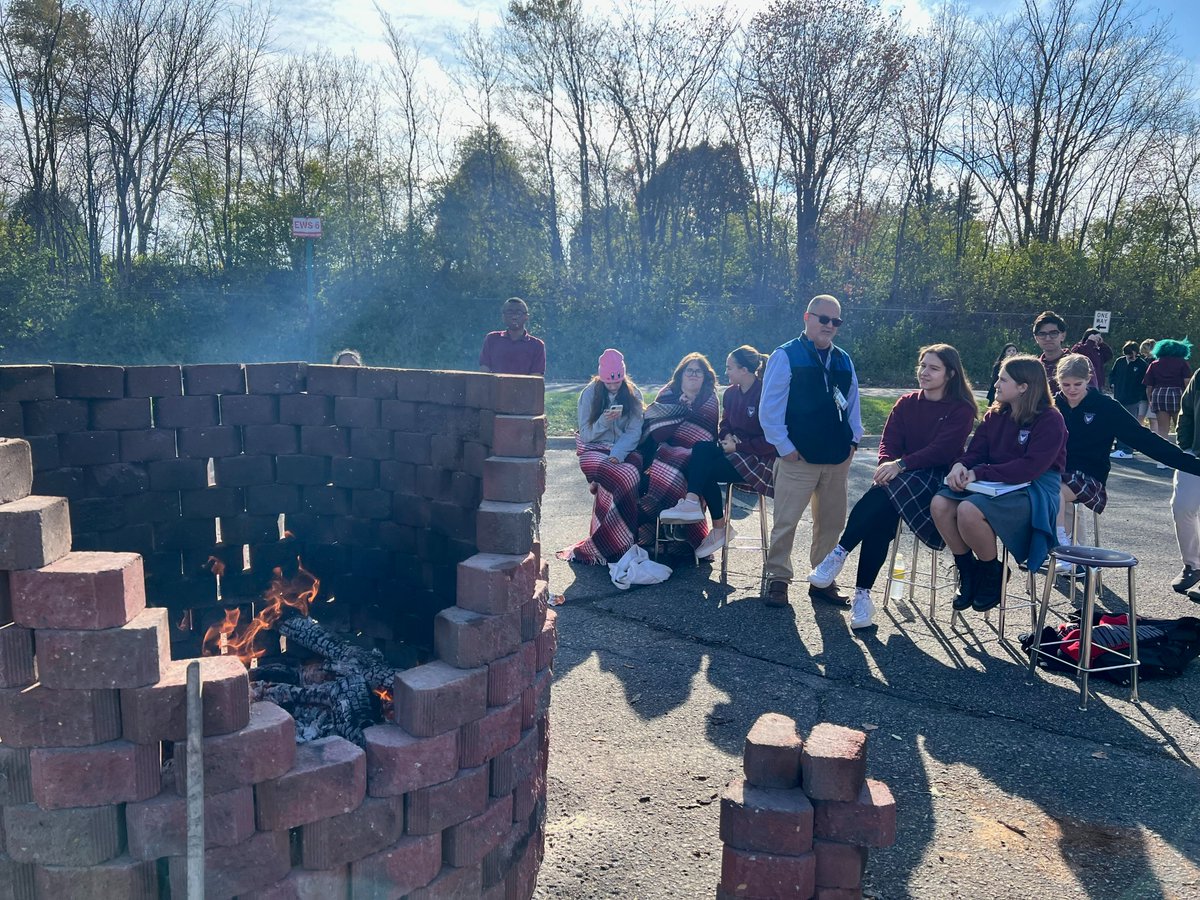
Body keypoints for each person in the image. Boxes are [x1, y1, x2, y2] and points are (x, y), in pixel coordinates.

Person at [808, 344, 978, 628]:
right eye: (922, 366)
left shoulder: (961, 409)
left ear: (950, 373)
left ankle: (839, 555)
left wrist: (899, 466)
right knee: (881, 517)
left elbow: (943, 450)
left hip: (935, 479)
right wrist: (888, 465)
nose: (924, 373)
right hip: (901, 478)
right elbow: (889, 442)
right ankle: (861, 596)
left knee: (883, 496)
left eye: (933, 368)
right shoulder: (906, 402)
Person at [931, 355, 1067, 613]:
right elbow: (976, 451)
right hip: (994, 482)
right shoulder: (995, 414)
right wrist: (960, 465)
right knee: (940, 503)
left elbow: (1032, 467)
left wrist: (980, 472)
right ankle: (967, 571)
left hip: (1035, 487)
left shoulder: (1050, 419)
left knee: (968, 510)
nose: (996, 384)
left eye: (1003, 379)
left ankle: (991, 572)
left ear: (1023, 387)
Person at [760, 294, 863, 611]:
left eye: (836, 321)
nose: (830, 326)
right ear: (807, 318)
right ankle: (777, 579)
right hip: (798, 459)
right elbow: (769, 409)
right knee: (786, 522)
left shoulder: (844, 359)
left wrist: (854, 443)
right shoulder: (786, 355)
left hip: (836, 460)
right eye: (824, 319)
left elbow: (853, 403)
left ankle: (822, 581)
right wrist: (786, 449)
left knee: (831, 524)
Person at [1053, 354, 1200, 575]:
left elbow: (1144, 439)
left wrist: (1192, 464)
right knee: (1034, 491)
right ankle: (1050, 550)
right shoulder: (1051, 406)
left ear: (1089, 380)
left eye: (1078, 384)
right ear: (1058, 381)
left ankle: (1061, 548)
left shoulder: (1105, 406)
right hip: (1055, 473)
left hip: (1089, 477)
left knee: (1052, 491)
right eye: (1066, 385)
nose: (1072, 390)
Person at [660, 346, 777, 561]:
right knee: (701, 449)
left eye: (730, 368)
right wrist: (727, 436)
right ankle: (694, 503)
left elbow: (772, 441)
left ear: (744, 369)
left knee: (703, 469)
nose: (727, 372)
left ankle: (718, 526)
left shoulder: (765, 393)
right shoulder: (731, 393)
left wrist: (739, 446)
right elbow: (724, 423)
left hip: (758, 460)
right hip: (733, 451)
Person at [557, 350, 645, 565]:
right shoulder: (589, 394)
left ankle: (618, 542)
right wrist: (604, 422)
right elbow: (586, 434)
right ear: (601, 378)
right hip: (593, 448)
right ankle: (611, 542)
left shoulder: (634, 395)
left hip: (623, 450)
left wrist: (617, 454)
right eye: (608, 383)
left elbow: (634, 432)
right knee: (620, 477)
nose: (613, 386)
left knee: (631, 473)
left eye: (617, 382)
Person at [635, 353, 721, 553]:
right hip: (666, 449)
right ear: (681, 374)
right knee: (671, 468)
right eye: (689, 370)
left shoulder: (710, 398)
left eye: (698, 371)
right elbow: (658, 433)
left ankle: (682, 532)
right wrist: (680, 409)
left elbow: (708, 434)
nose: (693, 374)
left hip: (698, 453)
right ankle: (665, 527)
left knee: (692, 464)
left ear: (704, 376)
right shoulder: (668, 393)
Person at [1171, 369, 1200, 597]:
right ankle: (1193, 564)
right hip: (1195, 454)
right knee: (1182, 507)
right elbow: (1186, 411)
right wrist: (1186, 446)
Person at [1143, 339, 1192, 457]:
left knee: (1162, 429)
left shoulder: (1154, 364)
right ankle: (1181, 455)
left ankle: (1163, 458)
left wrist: (1150, 400)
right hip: (1177, 394)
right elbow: (1187, 382)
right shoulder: (1182, 363)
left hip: (1159, 394)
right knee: (1179, 426)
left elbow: (1149, 386)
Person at [479, 297, 547, 376]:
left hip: (524, 388)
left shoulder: (537, 345)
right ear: (503, 317)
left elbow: (536, 378)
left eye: (518, 313)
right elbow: (484, 372)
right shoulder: (492, 339)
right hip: (495, 387)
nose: (514, 317)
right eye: (510, 312)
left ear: (526, 317)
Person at [1108, 341, 1149, 458]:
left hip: (1133, 399)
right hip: (1119, 397)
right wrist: (1112, 384)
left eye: (1131, 355)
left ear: (1136, 353)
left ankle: (1127, 450)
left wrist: (1138, 395)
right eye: (1127, 354)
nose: (1130, 357)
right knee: (1118, 423)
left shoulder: (1142, 364)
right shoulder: (1120, 361)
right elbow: (1112, 375)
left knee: (1129, 424)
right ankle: (1119, 447)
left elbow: (1144, 383)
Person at [1032, 311, 1069, 394]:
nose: (1048, 338)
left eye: (1053, 333)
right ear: (1036, 338)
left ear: (1063, 336)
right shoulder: (1033, 368)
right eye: (1042, 334)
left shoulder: (1078, 362)